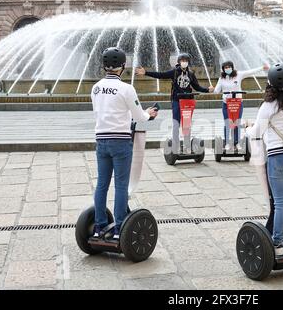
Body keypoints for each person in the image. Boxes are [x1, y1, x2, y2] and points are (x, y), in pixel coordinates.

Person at [91, 47, 158, 240]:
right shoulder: (126, 89)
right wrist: (149, 114)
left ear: (104, 66)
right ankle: (120, 227)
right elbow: (140, 117)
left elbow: (101, 112)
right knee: (121, 185)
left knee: (102, 184)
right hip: (120, 141)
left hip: (101, 140)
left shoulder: (95, 88)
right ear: (123, 66)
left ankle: (99, 226)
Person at [245, 64, 283, 257]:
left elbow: (257, 132)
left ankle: (277, 243)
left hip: (277, 157)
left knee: (280, 203)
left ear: (270, 83)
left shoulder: (269, 106)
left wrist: (247, 128)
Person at [136, 53, 214, 154]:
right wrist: (146, 72)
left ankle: (187, 146)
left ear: (188, 62)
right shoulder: (174, 72)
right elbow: (161, 75)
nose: (184, 62)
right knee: (176, 124)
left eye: (186, 60)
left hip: (187, 101)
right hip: (177, 101)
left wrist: (207, 90)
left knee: (186, 124)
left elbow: (197, 87)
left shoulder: (190, 73)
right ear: (179, 61)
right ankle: (175, 146)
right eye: (182, 60)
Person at [214, 61, 269, 151]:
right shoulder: (222, 78)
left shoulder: (239, 74)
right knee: (228, 123)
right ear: (223, 69)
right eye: (225, 67)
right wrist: (213, 89)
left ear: (232, 67)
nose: (227, 69)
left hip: (237, 103)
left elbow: (250, 72)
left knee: (237, 123)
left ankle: (237, 143)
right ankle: (227, 143)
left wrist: (262, 68)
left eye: (229, 67)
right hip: (226, 104)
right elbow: (217, 90)